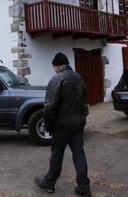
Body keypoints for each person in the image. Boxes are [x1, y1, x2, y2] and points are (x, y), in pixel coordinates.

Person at [35, 52, 91, 197]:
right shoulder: (79, 78)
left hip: (62, 125)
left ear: (58, 66)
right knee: (79, 154)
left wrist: (48, 125)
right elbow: (84, 102)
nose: (53, 69)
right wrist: (82, 117)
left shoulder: (56, 79)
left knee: (57, 154)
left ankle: (49, 183)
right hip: (78, 123)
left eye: (54, 66)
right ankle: (84, 187)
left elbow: (49, 106)